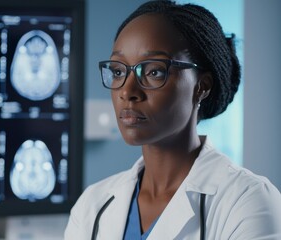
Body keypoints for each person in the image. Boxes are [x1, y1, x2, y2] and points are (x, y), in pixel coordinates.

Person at [64, 1, 281, 239]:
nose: (127, 91)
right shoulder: (93, 205)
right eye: (118, 72)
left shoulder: (246, 201)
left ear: (202, 86)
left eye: (154, 71)